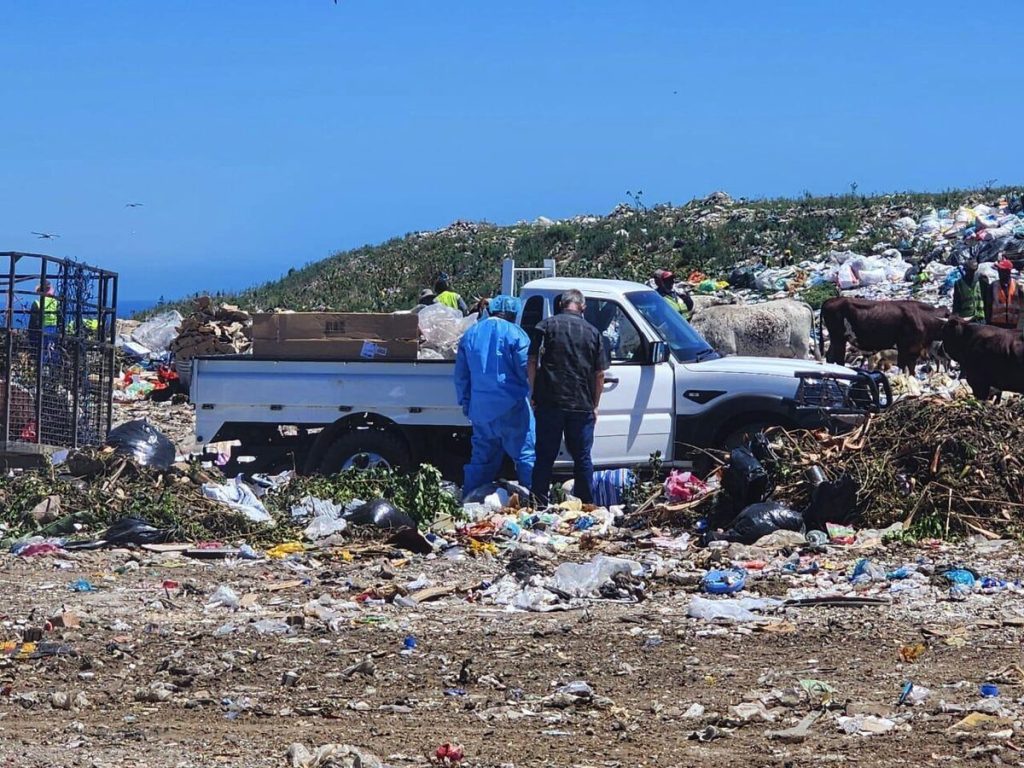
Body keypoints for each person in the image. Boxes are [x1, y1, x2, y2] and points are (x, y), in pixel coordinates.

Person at [528, 288, 609, 507]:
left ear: (561, 304)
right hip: (581, 404)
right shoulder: (593, 332)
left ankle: (538, 502)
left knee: (545, 456)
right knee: (582, 458)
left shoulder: (544, 327)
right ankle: (586, 504)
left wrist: (534, 392)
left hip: (549, 402)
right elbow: (599, 373)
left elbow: (532, 361)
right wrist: (595, 404)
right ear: (582, 307)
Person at [453, 294, 535, 497]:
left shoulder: (471, 334)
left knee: (481, 460)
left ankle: (470, 499)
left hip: (481, 410)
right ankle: (534, 500)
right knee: (525, 457)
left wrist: (467, 404)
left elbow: (461, 376)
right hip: (512, 407)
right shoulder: (517, 334)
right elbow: (526, 370)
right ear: (513, 313)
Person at [988, 258, 1024, 330]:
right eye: (999, 270)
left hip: (1013, 325)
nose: (1000, 272)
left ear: (1008, 272)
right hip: (996, 325)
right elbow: (987, 306)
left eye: (1002, 271)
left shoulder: (1017, 286)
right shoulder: (993, 286)